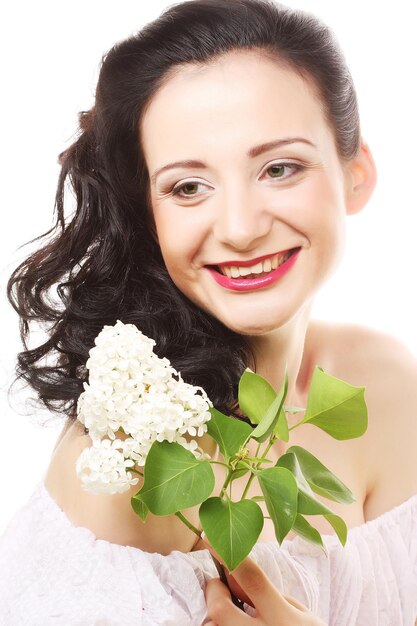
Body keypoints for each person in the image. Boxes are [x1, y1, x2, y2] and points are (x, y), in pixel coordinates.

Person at [0, 0, 416, 624]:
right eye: (188, 187)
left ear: (356, 173)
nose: (242, 228)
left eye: (279, 168)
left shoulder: (384, 381)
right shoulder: (135, 461)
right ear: (148, 213)